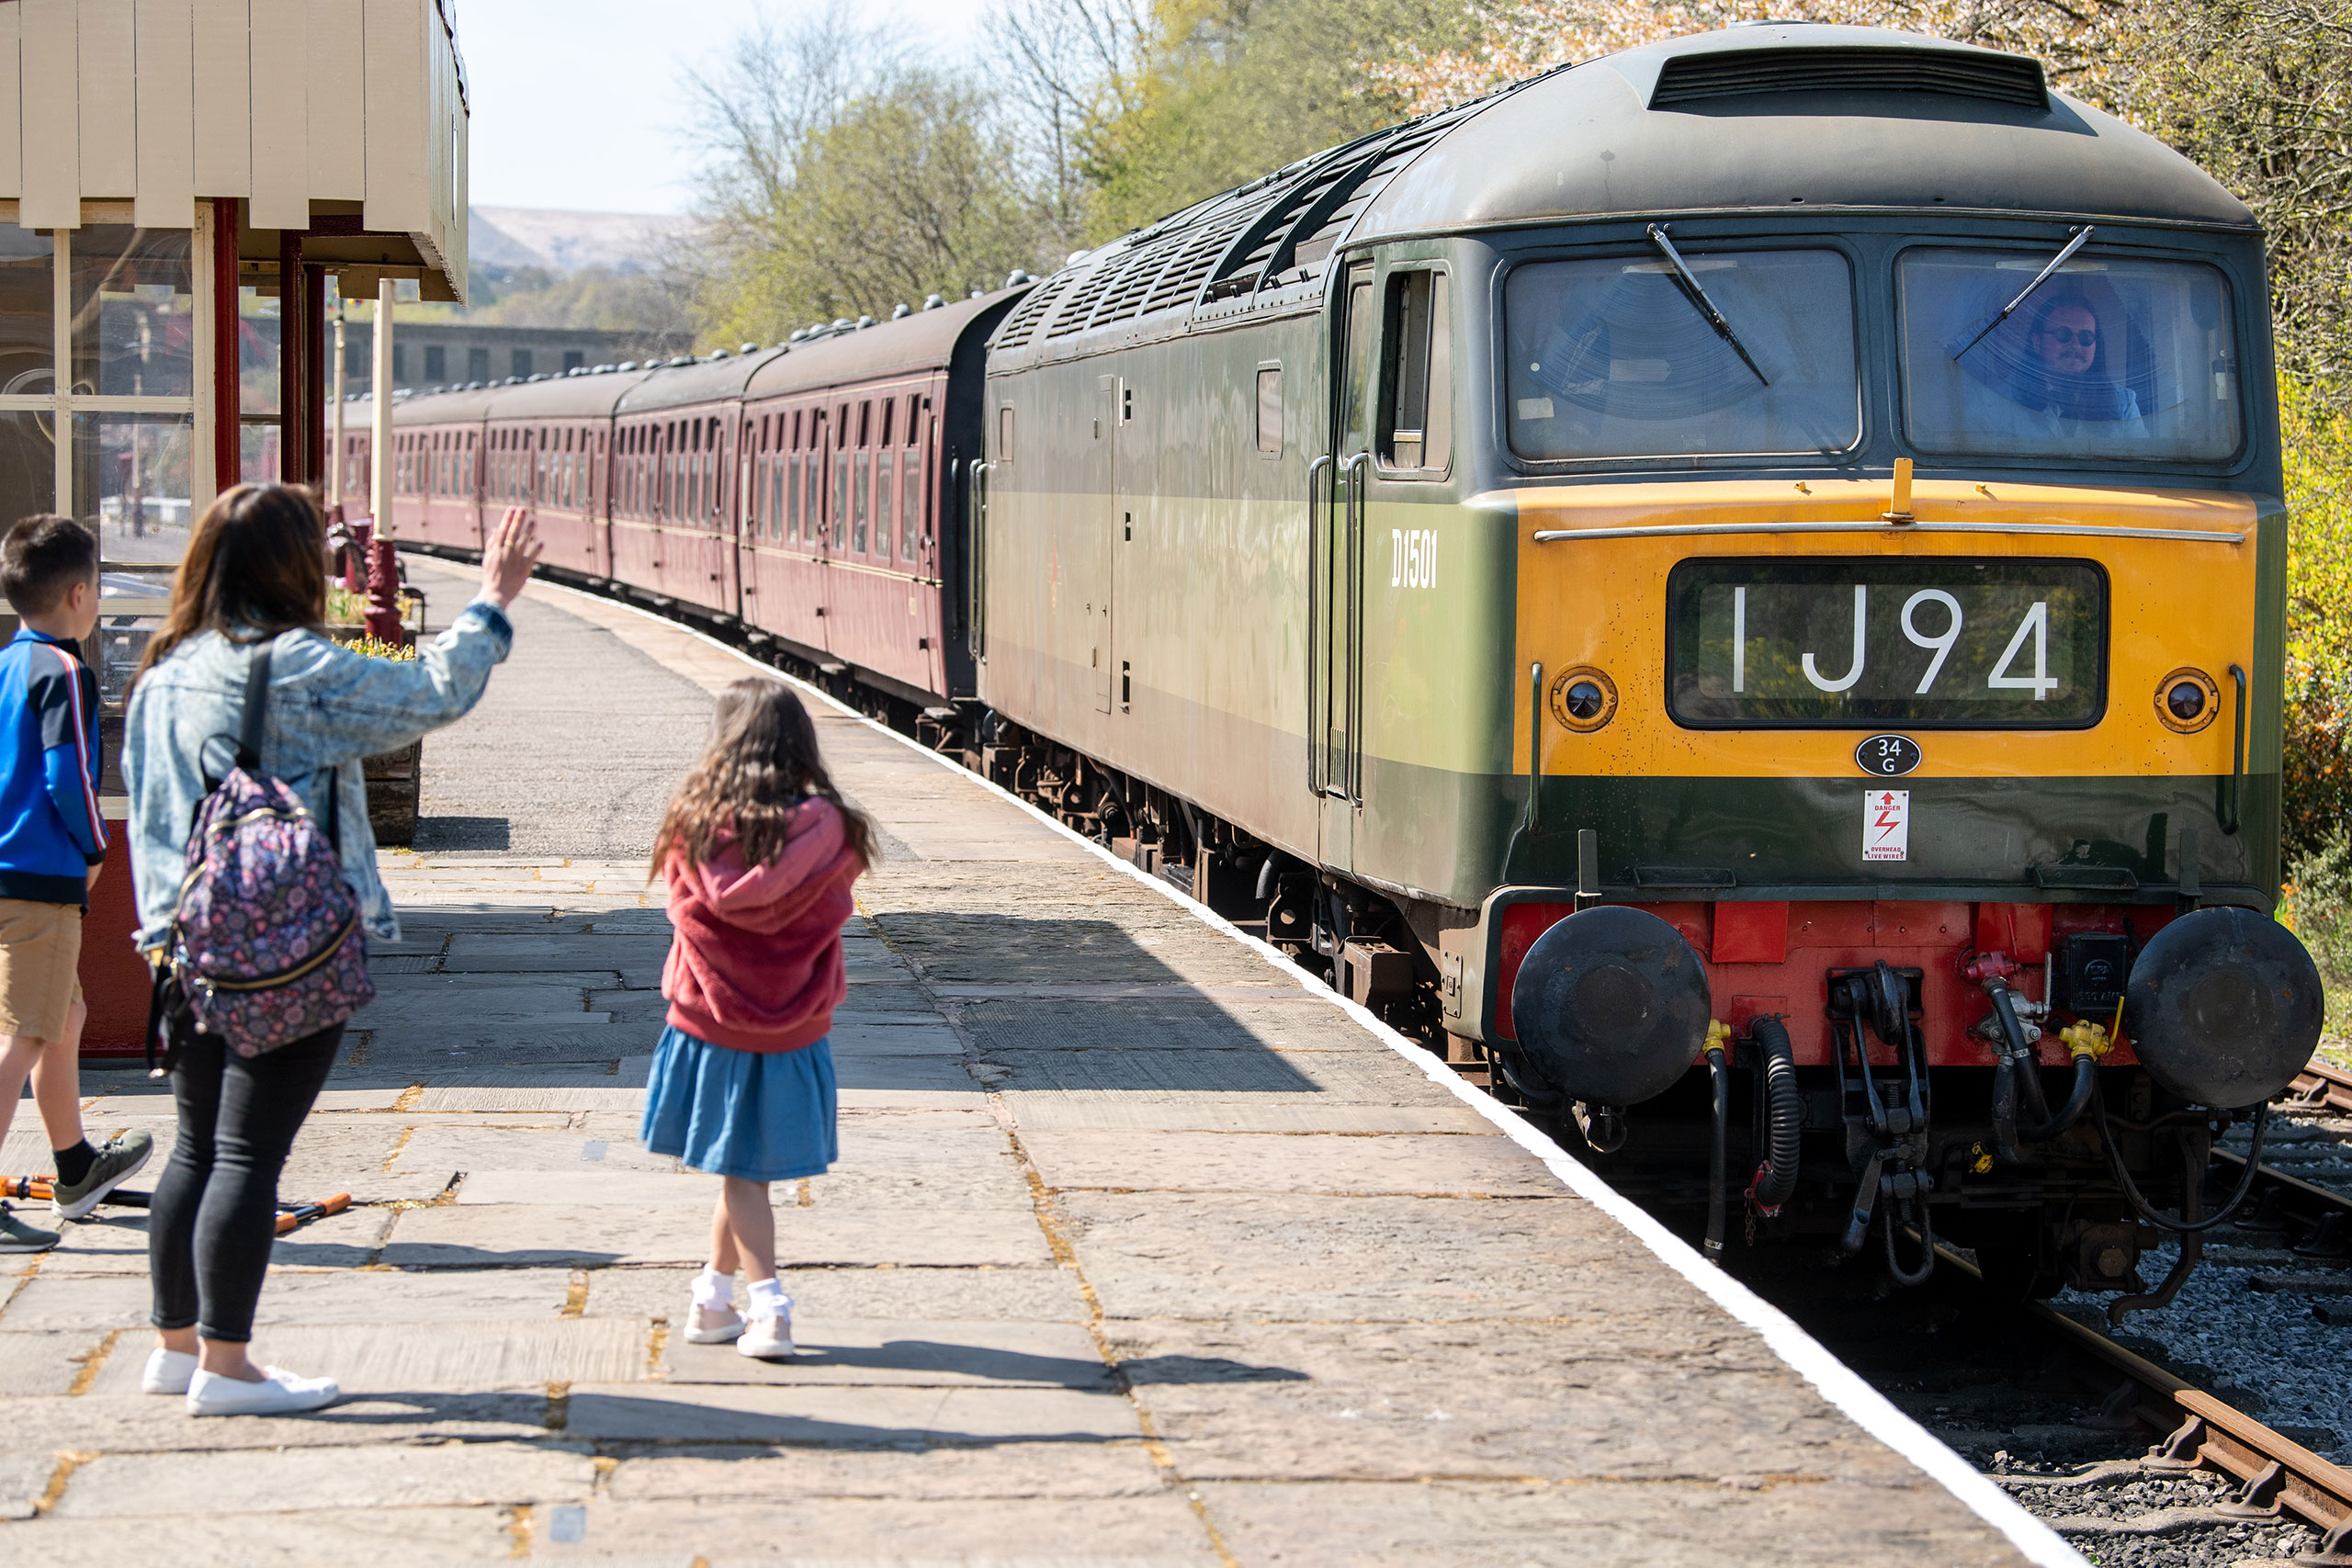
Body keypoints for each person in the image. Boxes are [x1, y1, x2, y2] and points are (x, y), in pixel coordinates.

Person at [124, 487, 539, 1416]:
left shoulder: (163, 672)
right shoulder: (302, 666)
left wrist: (165, 936)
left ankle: (173, 1348)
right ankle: (228, 1370)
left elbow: (154, 823)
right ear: (293, 568)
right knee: (248, 1155)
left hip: (182, 949)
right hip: (288, 948)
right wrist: (491, 602)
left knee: (194, 1148)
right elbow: (430, 693)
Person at [640, 679, 871, 1359]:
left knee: (739, 1170)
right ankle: (728, 1302)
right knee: (744, 1169)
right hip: (794, 1025)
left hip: (709, 1023)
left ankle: (757, 1308)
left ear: (725, 741)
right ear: (800, 741)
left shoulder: (692, 823)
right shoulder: (831, 828)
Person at [0, 515, 153, 1252]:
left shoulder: (6, 666)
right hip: (42, 875)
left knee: (62, 1019)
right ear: (82, 593)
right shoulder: (63, 671)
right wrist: (95, 846)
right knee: (23, 1034)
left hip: (8, 872)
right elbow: (71, 776)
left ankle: (75, 1166)